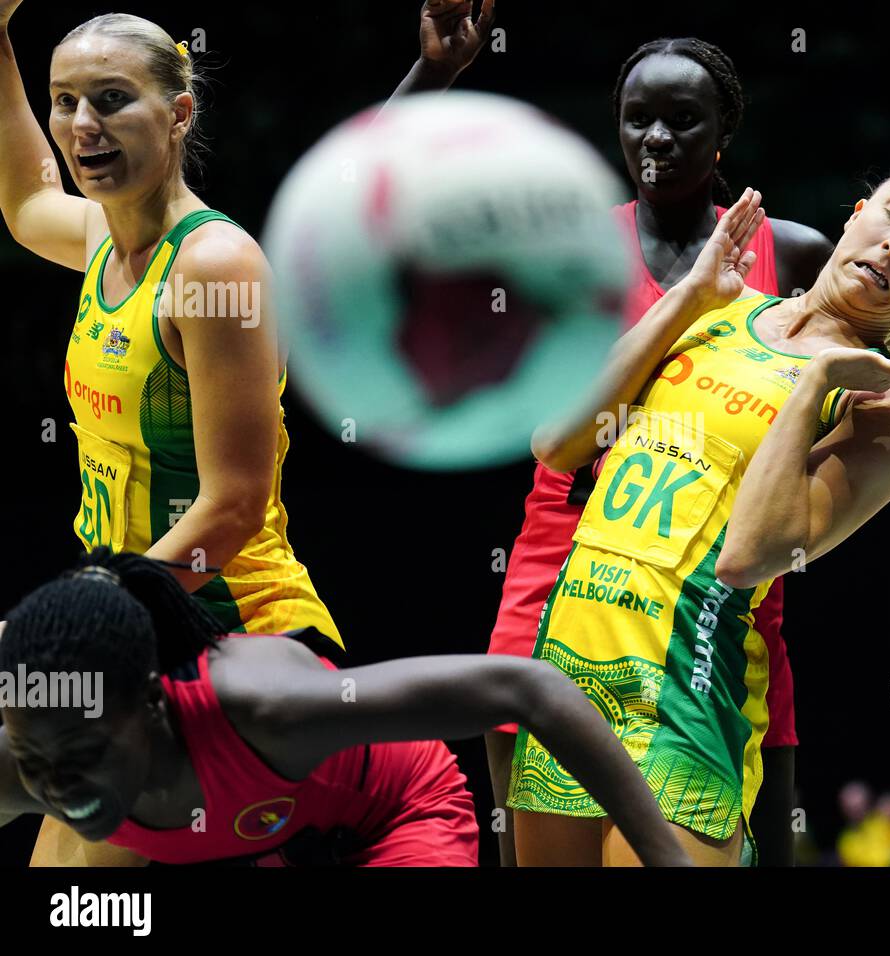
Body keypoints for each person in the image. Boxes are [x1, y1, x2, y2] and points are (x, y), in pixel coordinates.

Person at [386, 4, 839, 866]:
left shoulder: (795, 256)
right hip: (558, 578)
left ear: (725, 130)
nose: (657, 137)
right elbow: (381, 217)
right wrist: (435, 74)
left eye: (682, 119)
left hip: (721, 604)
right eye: (639, 120)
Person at [509, 156, 890, 865]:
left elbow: (749, 556)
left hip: (684, 693)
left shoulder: (885, 402)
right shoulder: (720, 312)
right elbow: (556, 444)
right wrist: (691, 296)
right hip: (570, 664)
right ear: (856, 216)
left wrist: (817, 376)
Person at [0, 6, 341, 865]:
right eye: (64, 100)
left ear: (180, 111)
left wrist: (84, 619)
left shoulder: (213, 267)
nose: (83, 126)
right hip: (132, 628)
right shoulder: (101, 241)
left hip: (228, 630)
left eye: (112, 99)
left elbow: (232, 506)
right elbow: (26, 200)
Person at [0, 549, 691, 867]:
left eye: (84, 756)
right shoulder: (35, 756)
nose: (57, 787)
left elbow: (532, 689)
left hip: (399, 819)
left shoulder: (266, 708)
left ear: (152, 705)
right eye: (35, 765)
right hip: (277, 843)